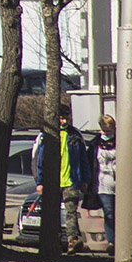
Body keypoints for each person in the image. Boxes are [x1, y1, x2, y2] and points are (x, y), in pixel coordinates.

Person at [35, 105, 92, 253]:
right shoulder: (46, 134)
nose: (64, 120)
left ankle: (72, 239)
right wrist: (40, 182)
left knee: (70, 212)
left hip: (70, 181)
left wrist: (85, 180)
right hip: (52, 182)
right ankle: (55, 240)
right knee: (52, 212)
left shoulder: (74, 135)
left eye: (66, 117)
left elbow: (83, 159)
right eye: (61, 118)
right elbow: (39, 160)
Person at [89, 113, 118, 254]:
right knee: (109, 213)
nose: (106, 133)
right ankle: (112, 241)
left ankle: (121, 240)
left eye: (109, 130)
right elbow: (91, 163)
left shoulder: (120, 142)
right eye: (104, 130)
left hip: (119, 184)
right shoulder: (95, 144)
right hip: (103, 184)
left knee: (120, 214)